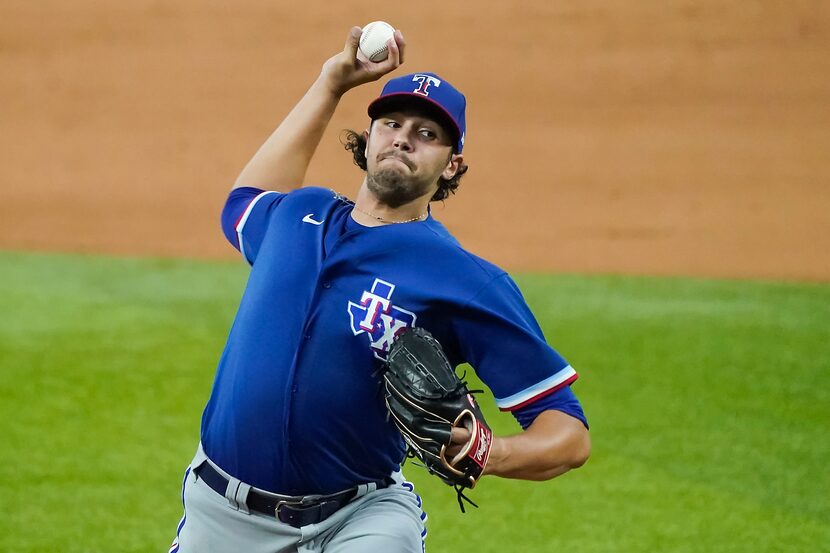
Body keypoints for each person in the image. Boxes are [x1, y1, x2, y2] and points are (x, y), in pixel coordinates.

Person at [169, 26, 590, 553]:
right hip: (222, 515)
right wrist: (330, 84)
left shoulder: (465, 279)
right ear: (368, 139)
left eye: (428, 134)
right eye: (391, 123)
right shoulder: (299, 212)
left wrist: (489, 451)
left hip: (360, 517)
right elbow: (241, 202)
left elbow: (567, 432)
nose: (404, 137)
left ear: (452, 165)